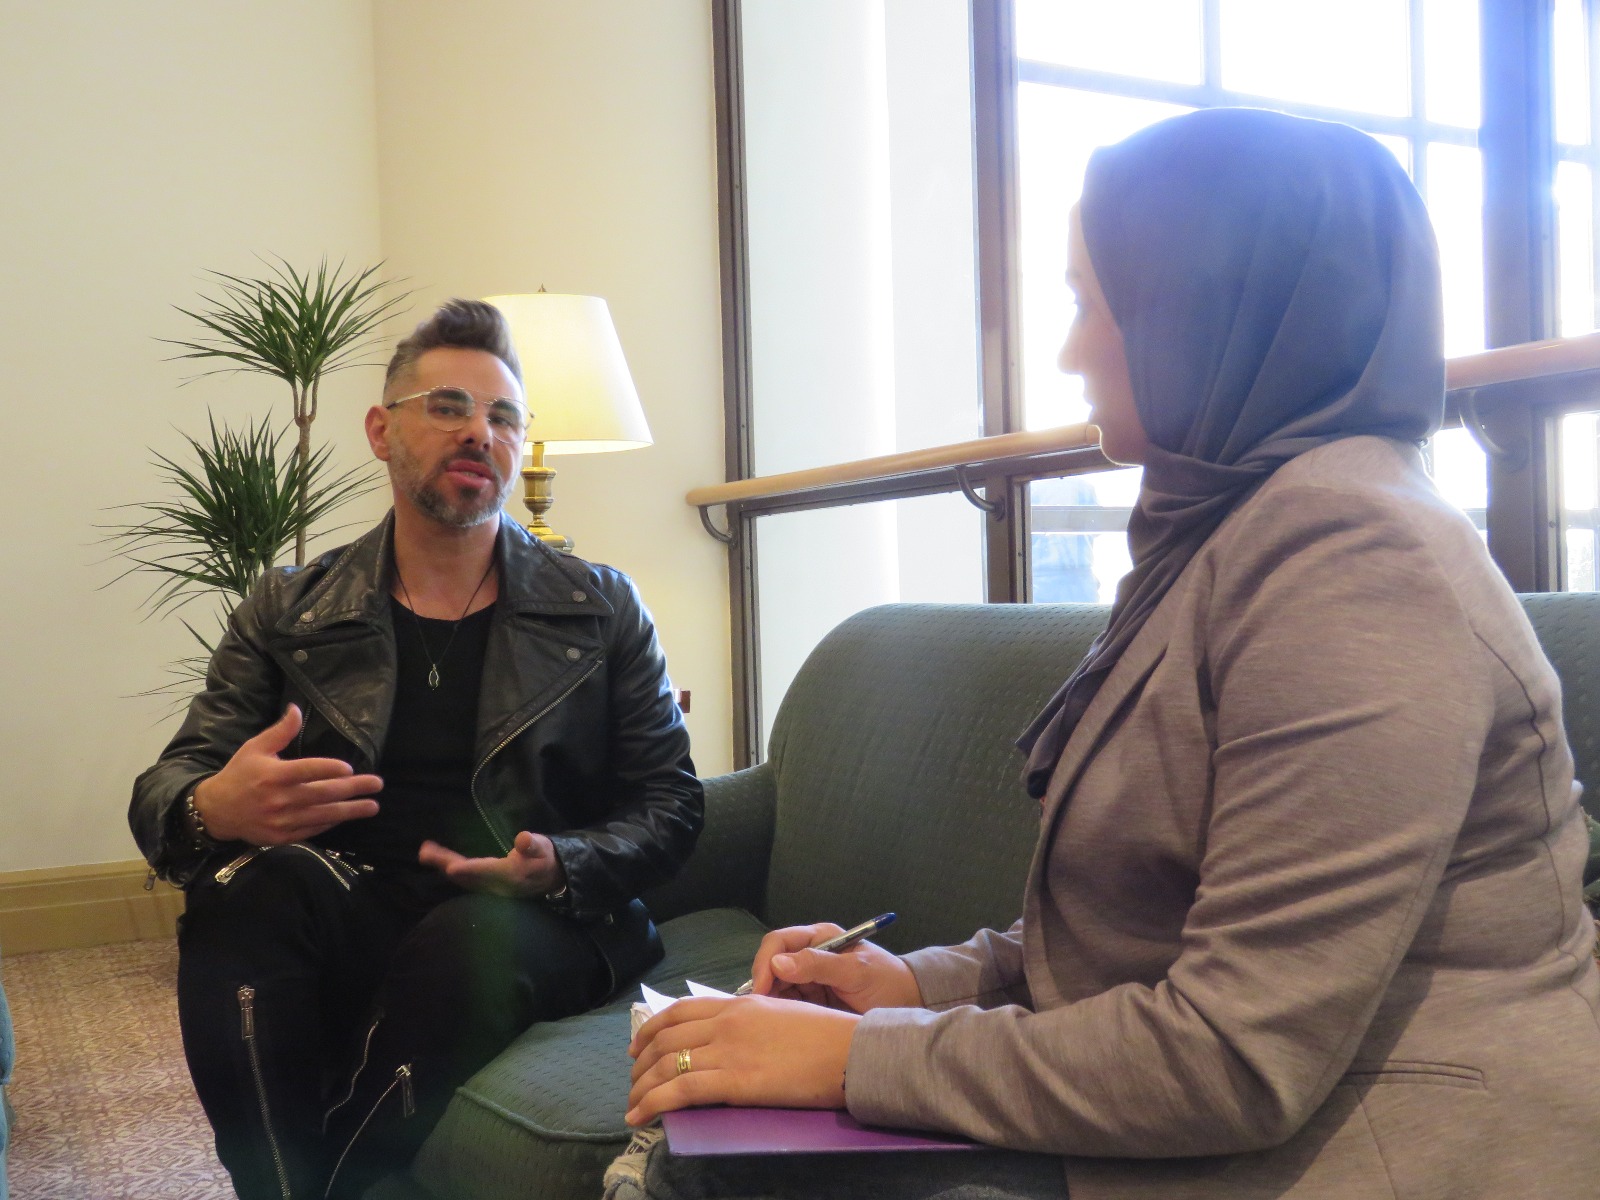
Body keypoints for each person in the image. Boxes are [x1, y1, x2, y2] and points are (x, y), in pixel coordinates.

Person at [621, 109, 1600, 1199]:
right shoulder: (1230, 533)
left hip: (1382, 1145)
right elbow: (1138, 932)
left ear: (1208, 310)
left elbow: (1234, 1056)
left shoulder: (1356, 558)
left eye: (1095, 304)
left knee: (727, 1172)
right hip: (1231, 1114)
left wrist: (855, 1059)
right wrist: (911, 986)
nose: (1068, 351)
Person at [129, 299, 704, 1200]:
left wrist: (566, 862)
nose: (480, 431)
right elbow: (169, 784)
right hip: (356, 898)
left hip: (533, 919)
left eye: (504, 416)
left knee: (464, 939)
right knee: (243, 893)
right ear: (381, 431)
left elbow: (673, 802)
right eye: (448, 407)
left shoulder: (601, 609)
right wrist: (214, 806)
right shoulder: (290, 610)